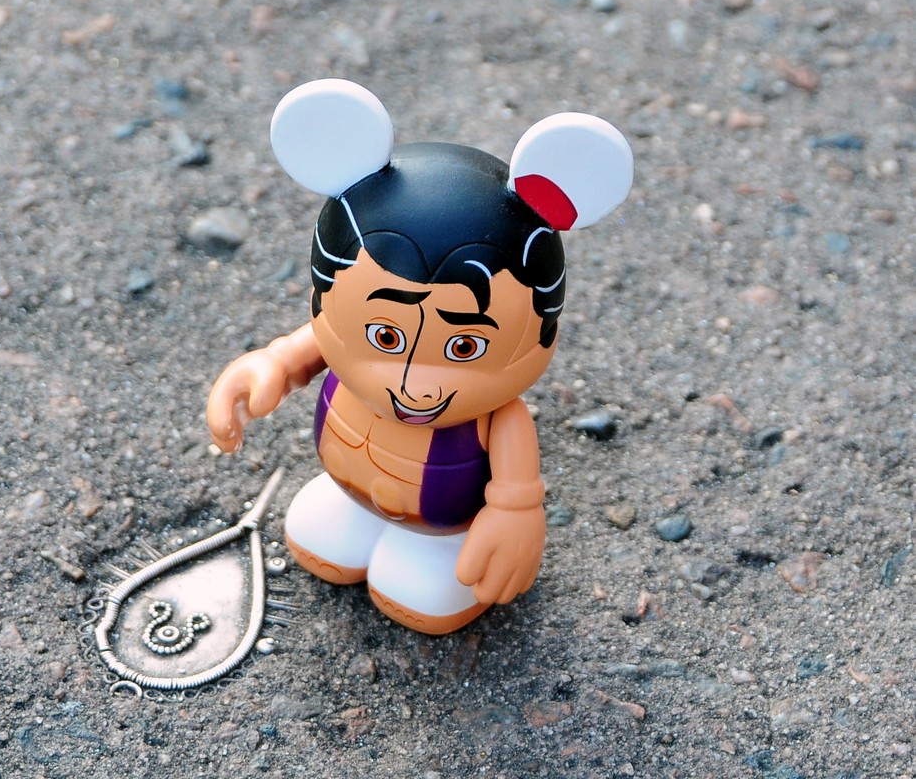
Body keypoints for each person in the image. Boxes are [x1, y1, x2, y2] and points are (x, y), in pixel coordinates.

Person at [207, 79, 633, 634]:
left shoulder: (498, 417)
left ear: (540, 336)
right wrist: (273, 363)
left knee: (423, 590)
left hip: (442, 528)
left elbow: (517, 489)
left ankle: (426, 551)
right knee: (319, 535)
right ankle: (359, 522)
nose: (414, 385)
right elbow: (309, 345)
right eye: (385, 338)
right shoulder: (335, 331)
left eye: (464, 347)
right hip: (348, 492)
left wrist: (515, 515)